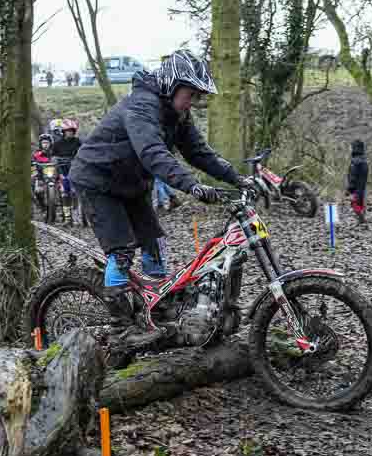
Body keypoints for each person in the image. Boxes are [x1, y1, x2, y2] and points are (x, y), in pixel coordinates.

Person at [70, 49, 253, 346]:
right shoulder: (142, 107)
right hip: (98, 180)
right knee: (122, 252)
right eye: (190, 94)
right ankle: (120, 328)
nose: (192, 101)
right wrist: (191, 185)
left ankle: (157, 307)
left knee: (155, 244)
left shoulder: (177, 114)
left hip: (130, 184)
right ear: (171, 85)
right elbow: (152, 152)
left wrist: (237, 178)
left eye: (197, 96)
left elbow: (198, 152)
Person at [52, 118, 81, 222]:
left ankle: (77, 215)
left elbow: (83, 152)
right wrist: (55, 161)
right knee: (64, 192)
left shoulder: (78, 142)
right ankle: (67, 217)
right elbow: (53, 156)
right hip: (62, 170)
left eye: (72, 131)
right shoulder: (57, 144)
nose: (70, 133)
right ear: (64, 132)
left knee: (74, 192)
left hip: (75, 170)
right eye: (68, 131)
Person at [347, 139, 369, 224]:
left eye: (351, 147)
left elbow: (353, 176)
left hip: (355, 188)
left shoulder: (354, 162)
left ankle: (361, 219)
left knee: (354, 204)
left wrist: (350, 189)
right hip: (362, 187)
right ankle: (361, 219)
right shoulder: (364, 161)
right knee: (361, 203)